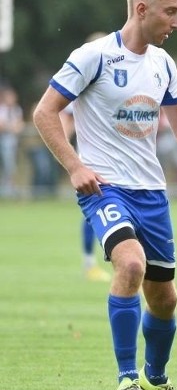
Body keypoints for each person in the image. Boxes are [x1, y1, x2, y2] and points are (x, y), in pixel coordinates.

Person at [32, 0, 177, 390]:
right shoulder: (93, 57)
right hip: (104, 187)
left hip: (152, 193)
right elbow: (44, 112)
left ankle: (154, 378)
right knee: (131, 263)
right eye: (171, 11)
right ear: (142, 10)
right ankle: (126, 381)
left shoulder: (162, 64)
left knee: (166, 298)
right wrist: (75, 164)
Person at [60, 101, 111, 282]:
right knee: (94, 210)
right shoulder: (84, 80)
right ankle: (89, 264)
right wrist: (69, 161)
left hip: (126, 166)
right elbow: (64, 119)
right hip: (95, 165)